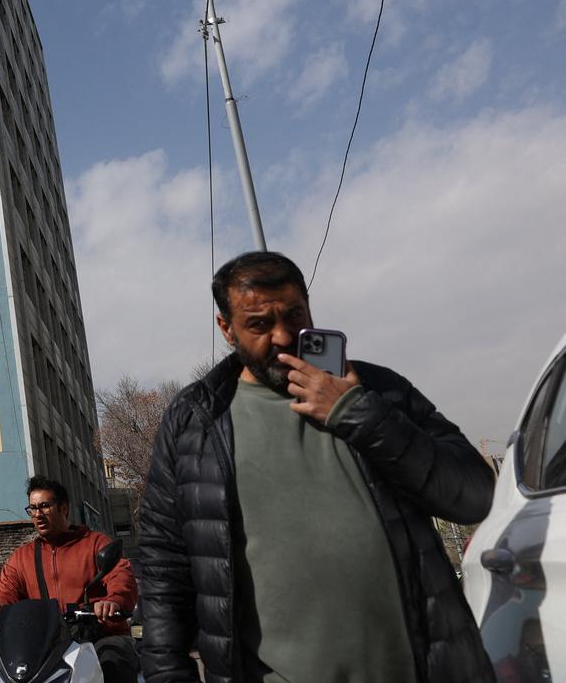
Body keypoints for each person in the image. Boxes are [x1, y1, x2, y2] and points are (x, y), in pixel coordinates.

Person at [138, 250, 496, 683]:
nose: (283, 336)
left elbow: (475, 495)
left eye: (294, 315)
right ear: (226, 328)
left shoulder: (379, 390)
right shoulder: (195, 421)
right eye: (259, 324)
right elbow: (164, 565)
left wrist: (357, 411)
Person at [0, 475, 138, 683]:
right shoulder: (21, 558)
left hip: (100, 636)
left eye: (44, 506)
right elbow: (4, 596)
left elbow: (121, 575)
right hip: (46, 646)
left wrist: (113, 601)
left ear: (64, 508)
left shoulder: (95, 543)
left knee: (113, 660)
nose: (38, 514)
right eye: (32, 508)